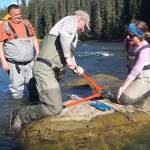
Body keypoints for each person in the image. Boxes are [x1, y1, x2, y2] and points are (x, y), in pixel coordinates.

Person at [10, 10, 90, 130]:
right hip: (45, 70)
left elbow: (67, 53)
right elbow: (63, 34)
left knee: (50, 104)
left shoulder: (72, 32)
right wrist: (68, 58)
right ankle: (21, 114)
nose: (83, 30)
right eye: (84, 26)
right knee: (55, 107)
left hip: (50, 72)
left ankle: (28, 117)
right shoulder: (71, 20)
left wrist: (75, 67)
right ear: (80, 19)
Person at [102, 20, 150, 105]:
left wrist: (123, 88)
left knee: (124, 99)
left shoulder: (145, 50)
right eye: (128, 34)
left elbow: (135, 70)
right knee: (120, 93)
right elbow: (131, 68)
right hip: (133, 75)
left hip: (145, 77)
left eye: (131, 35)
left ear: (140, 36)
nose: (128, 37)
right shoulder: (127, 41)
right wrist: (124, 86)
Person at [0, 4, 39, 99]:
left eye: (20, 13)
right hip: (14, 64)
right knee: (17, 89)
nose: (19, 16)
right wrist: (4, 62)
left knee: (34, 85)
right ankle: (17, 108)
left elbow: (33, 38)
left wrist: (38, 52)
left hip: (30, 62)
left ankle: (34, 105)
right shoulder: (4, 26)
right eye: (16, 14)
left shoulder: (26, 23)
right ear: (9, 15)